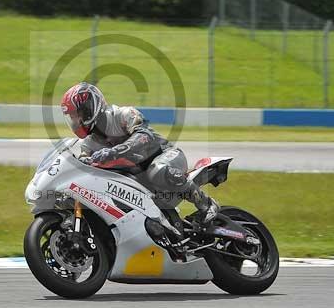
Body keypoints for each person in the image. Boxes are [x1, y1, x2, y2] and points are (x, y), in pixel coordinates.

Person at [60, 82, 220, 243]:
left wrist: (112, 152)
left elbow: (144, 136)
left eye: (77, 115)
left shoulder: (122, 115)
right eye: (72, 118)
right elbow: (83, 165)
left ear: (89, 109)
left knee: (157, 170)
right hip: (137, 179)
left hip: (166, 156)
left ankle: (206, 204)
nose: (75, 122)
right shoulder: (88, 144)